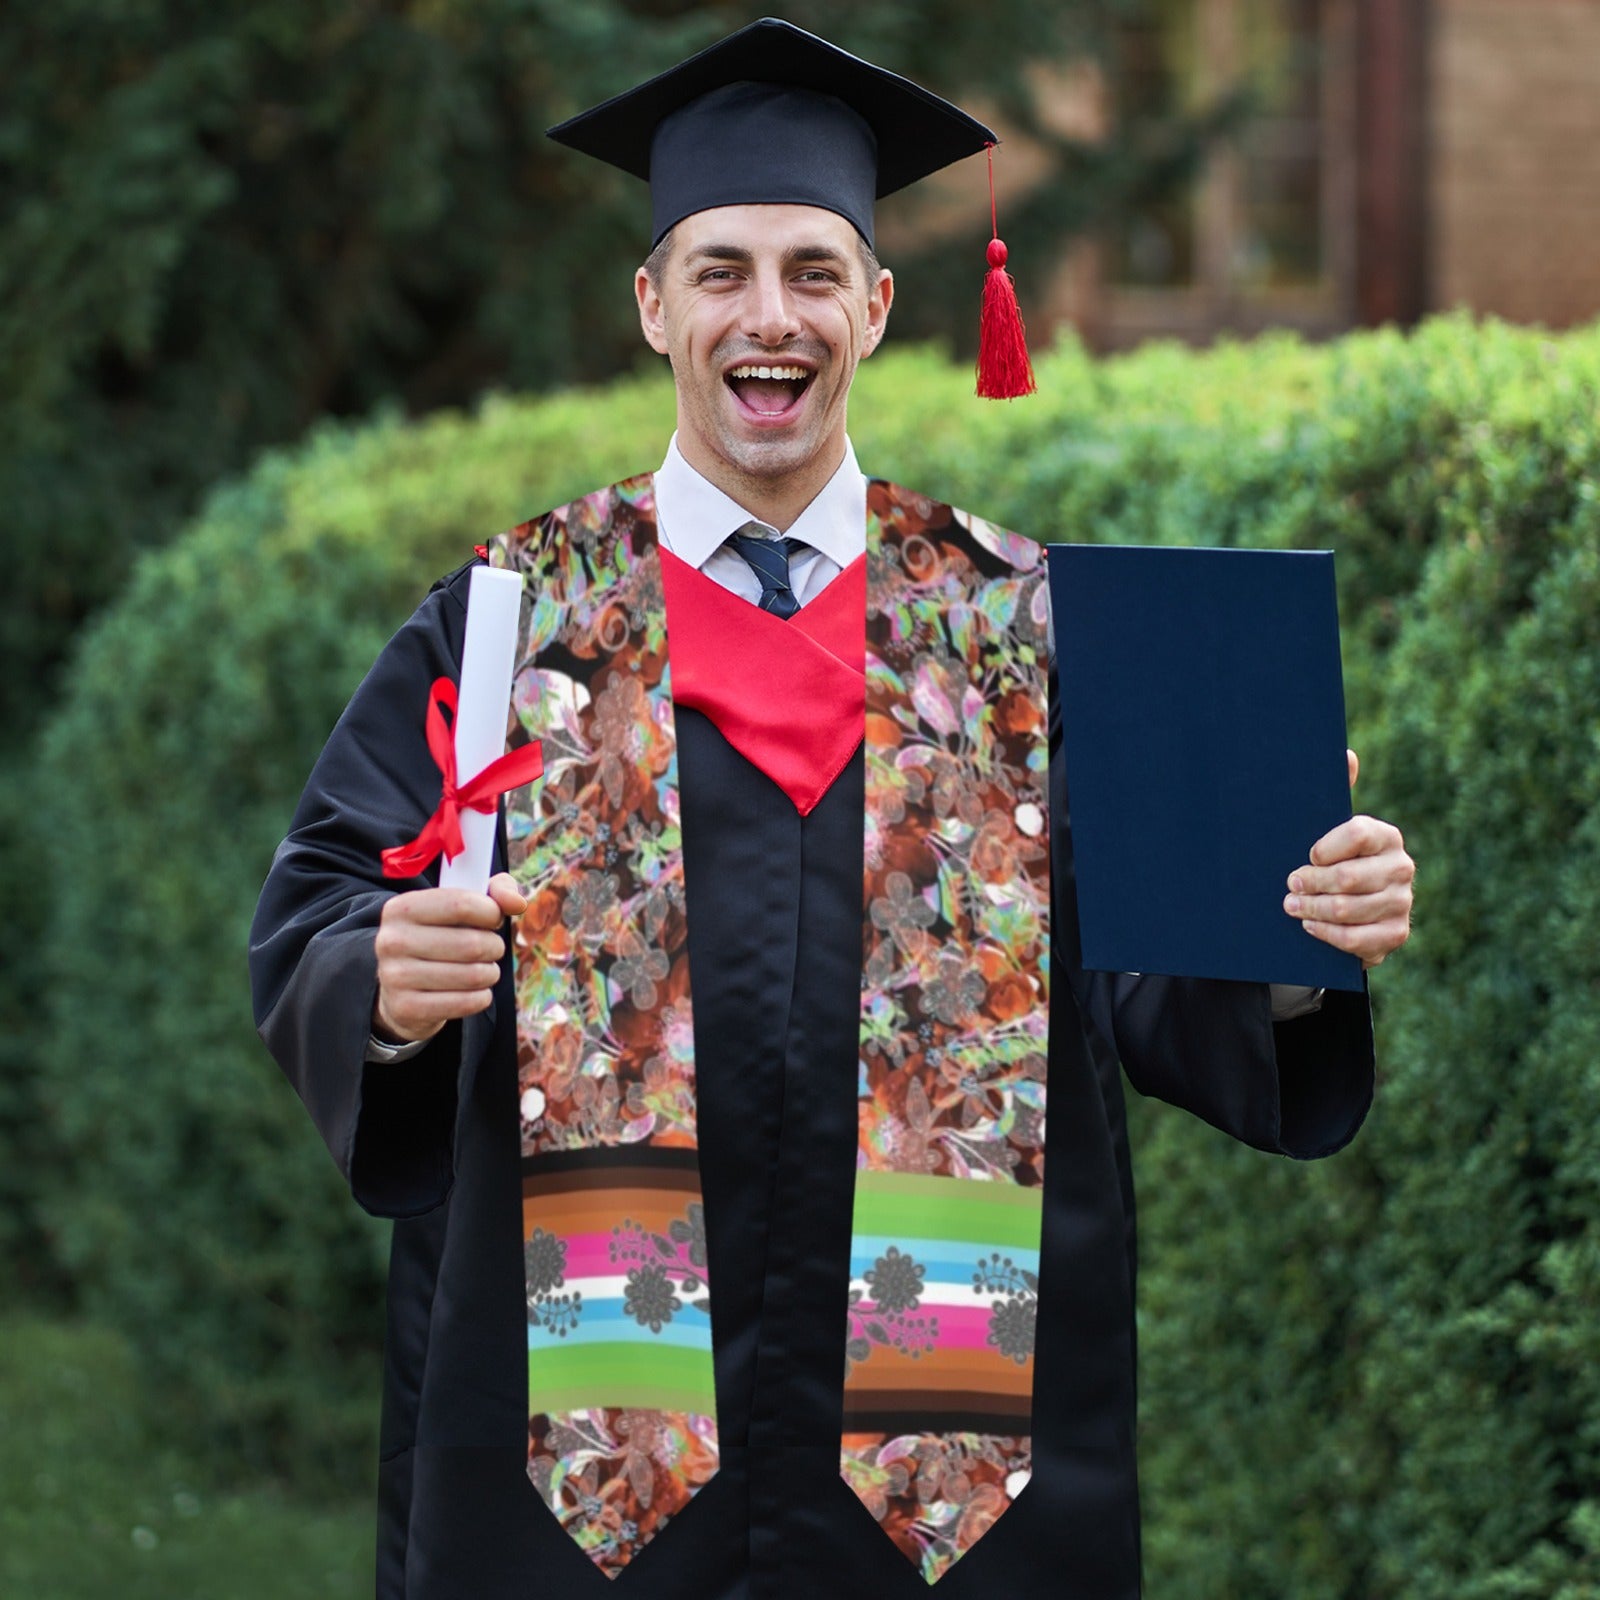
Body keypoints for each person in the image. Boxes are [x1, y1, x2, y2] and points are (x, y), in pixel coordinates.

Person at [249, 19, 1415, 1600]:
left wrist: (1293, 933)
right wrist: (378, 984)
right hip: (593, 1460)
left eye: (812, 270)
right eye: (721, 270)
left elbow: (1150, 977)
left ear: (876, 305)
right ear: (654, 304)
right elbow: (324, 902)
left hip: (946, 1473)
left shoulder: (1022, 629)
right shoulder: (520, 624)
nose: (768, 316)